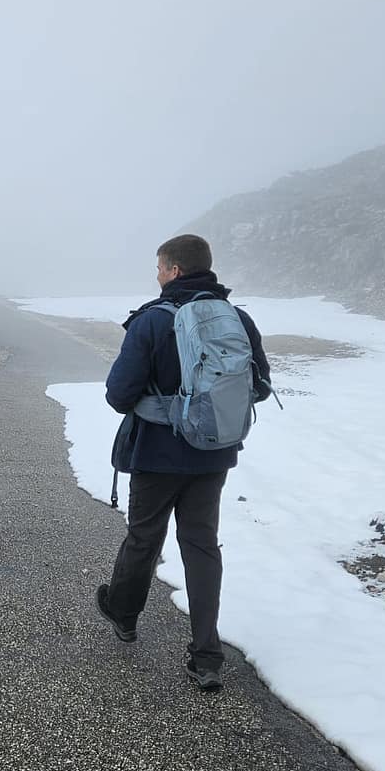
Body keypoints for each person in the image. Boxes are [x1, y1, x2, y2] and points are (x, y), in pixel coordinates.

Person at [94, 234, 270, 691]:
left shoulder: (152, 321)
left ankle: (124, 614)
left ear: (174, 270)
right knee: (201, 545)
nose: (156, 275)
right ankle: (206, 655)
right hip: (213, 454)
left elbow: (118, 395)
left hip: (157, 453)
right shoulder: (237, 319)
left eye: (159, 267)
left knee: (144, 536)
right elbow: (260, 387)